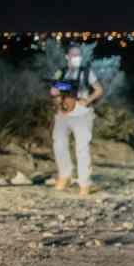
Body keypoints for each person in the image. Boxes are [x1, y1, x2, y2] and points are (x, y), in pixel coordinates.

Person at [48, 44, 103, 195]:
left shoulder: (86, 72)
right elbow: (53, 89)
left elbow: (99, 89)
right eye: (73, 55)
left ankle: (84, 183)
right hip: (63, 112)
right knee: (58, 143)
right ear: (67, 57)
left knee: (82, 148)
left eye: (79, 55)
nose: (76, 58)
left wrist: (88, 100)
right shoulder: (61, 72)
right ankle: (64, 175)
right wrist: (54, 93)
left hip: (82, 113)